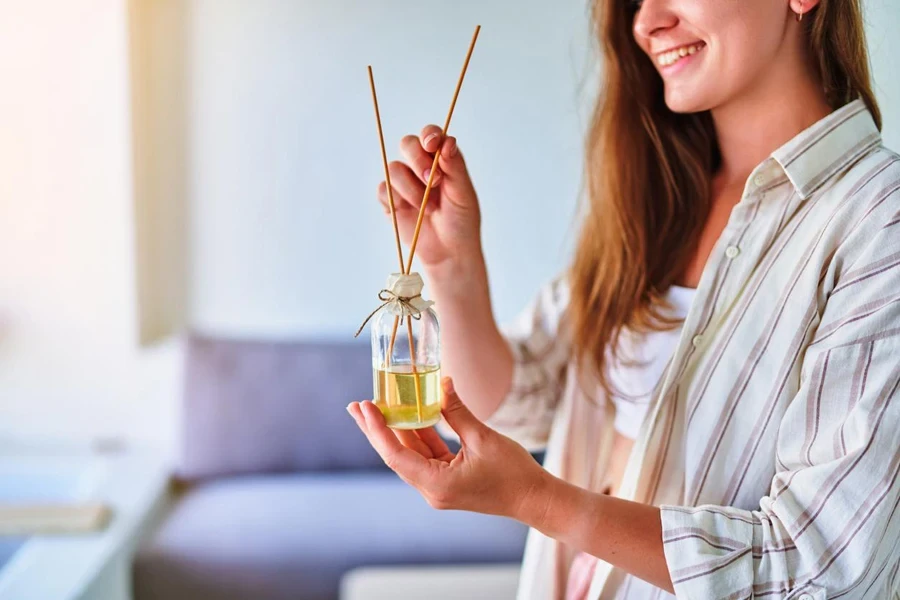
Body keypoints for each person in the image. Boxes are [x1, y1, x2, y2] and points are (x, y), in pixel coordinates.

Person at [347, 0, 900, 597]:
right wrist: (451, 268)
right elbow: (523, 402)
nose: (644, 22)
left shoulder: (878, 223)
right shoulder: (653, 200)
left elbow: (826, 568)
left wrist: (534, 498)